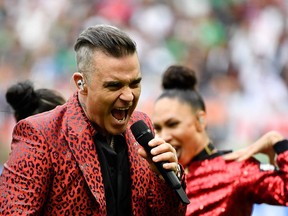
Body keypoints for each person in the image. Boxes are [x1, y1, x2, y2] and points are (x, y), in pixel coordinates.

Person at [0, 24, 186, 215]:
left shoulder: (141, 127)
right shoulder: (40, 135)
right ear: (81, 84)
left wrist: (167, 180)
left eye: (135, 83)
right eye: (114, 85)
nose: (129, 96)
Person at [151, 65, 288, 216]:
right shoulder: (155, 180)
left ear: (200, 121)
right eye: (157, 128)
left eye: (173, 124)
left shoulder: (236, 170)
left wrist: (278, 143)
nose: (164, 136)